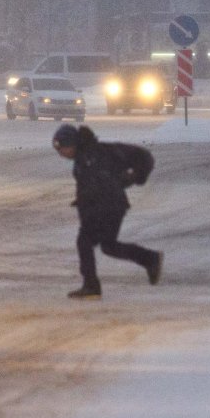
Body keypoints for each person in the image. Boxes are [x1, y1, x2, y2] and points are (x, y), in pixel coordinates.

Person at [52, 123, 162, 299]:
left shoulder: (99, 153)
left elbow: (143, 156)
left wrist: (137, 177)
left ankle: (91, 287)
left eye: (62, 148)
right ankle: (150, 259)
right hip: (107, 207)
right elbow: (93, 187)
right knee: (108, 246)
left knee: (85, 242)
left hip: (108, 207)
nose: (61, 153)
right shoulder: (84, 159)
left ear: (72, 143)